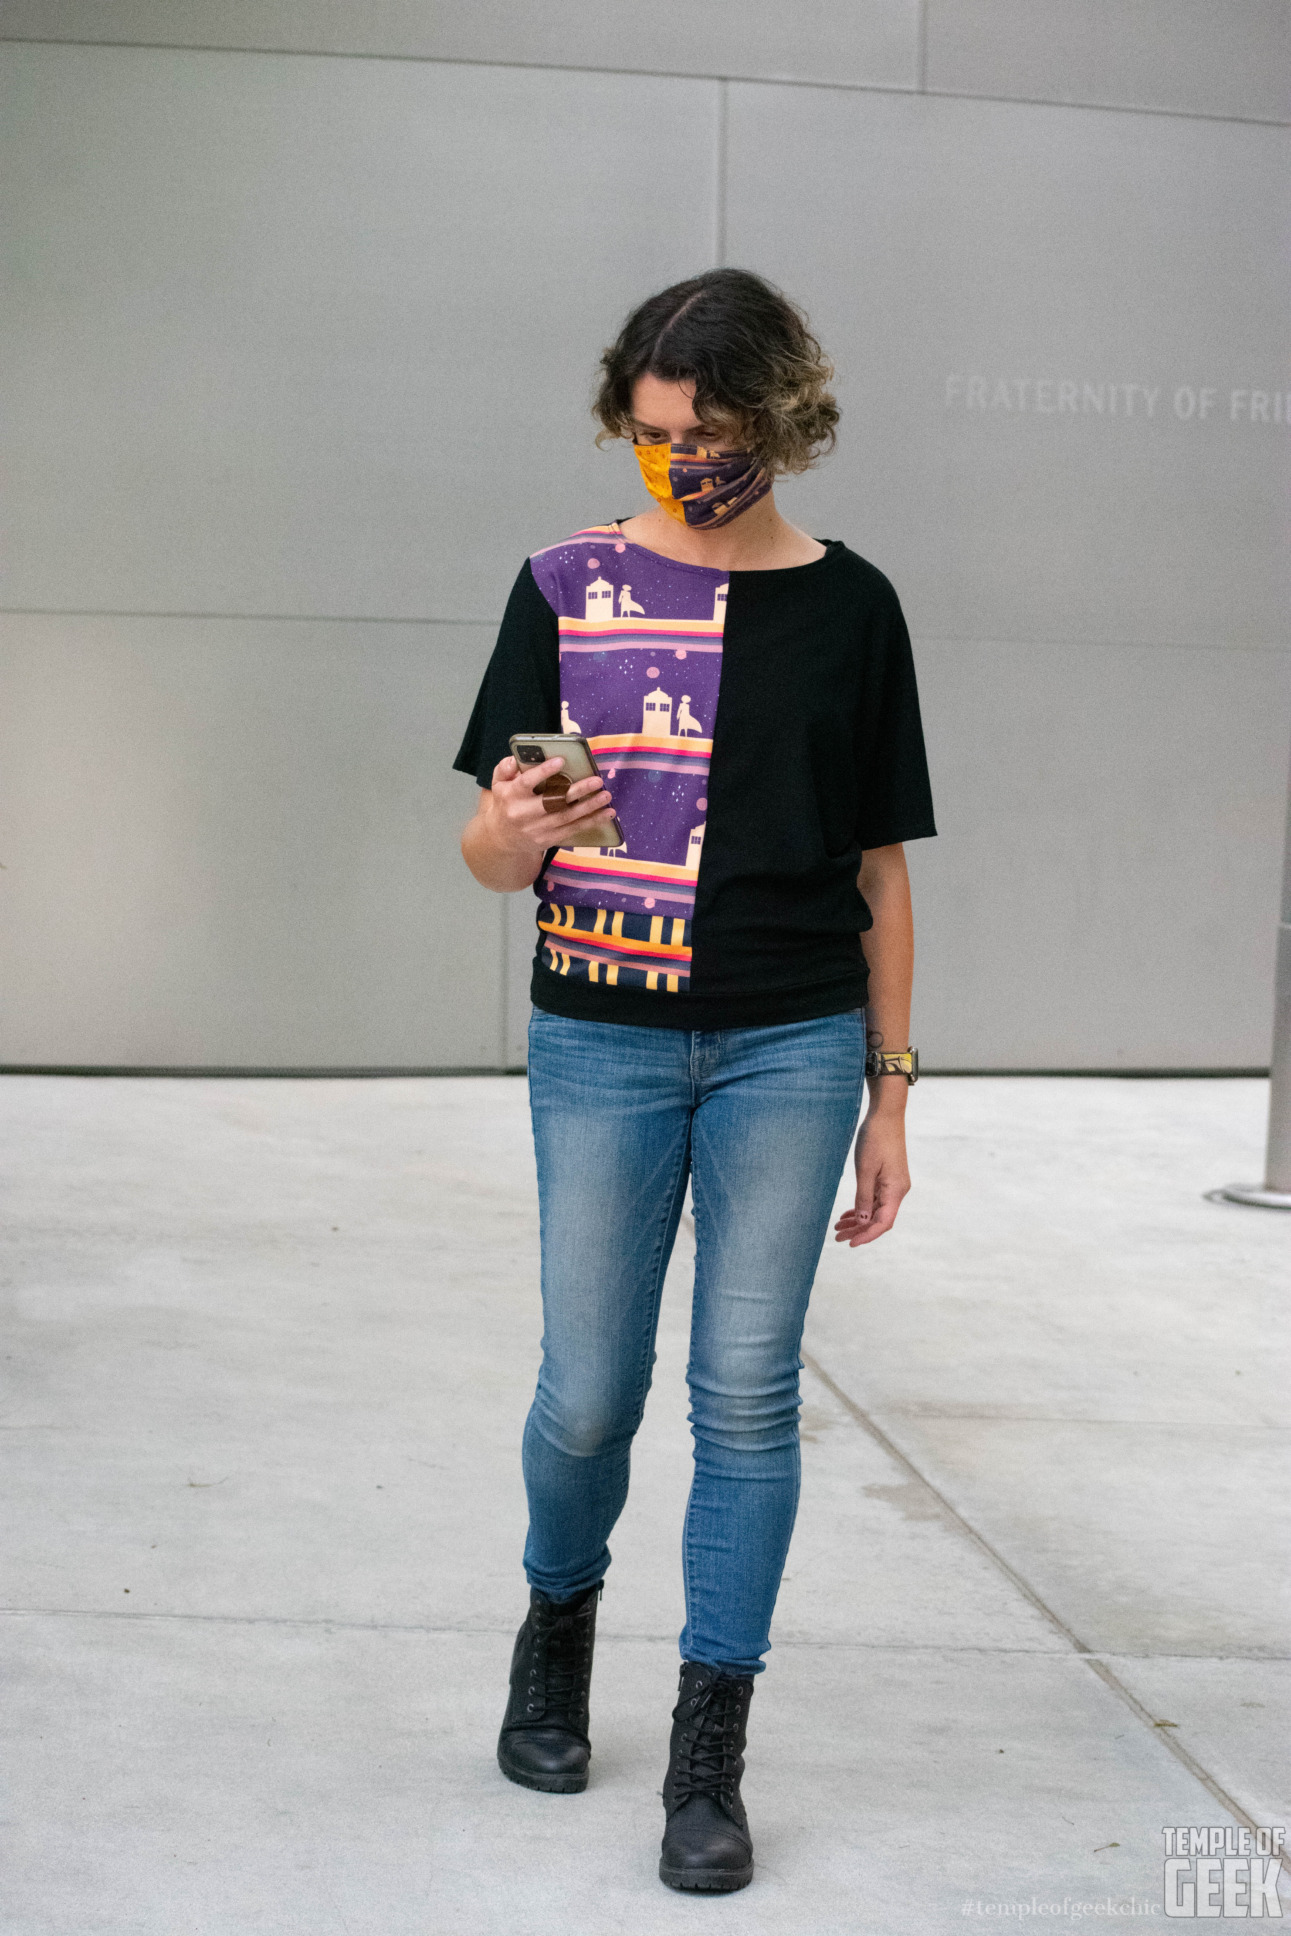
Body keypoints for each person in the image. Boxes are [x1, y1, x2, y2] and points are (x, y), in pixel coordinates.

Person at [453, 268, 935, 1893]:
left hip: (790, 1045)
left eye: (710, 434)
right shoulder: (565, 586)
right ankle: (558, 1619)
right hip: (598, 1032)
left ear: (781, 423)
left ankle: (711, 1748)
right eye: (654, 433)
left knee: (746, 1394)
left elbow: (881, 869)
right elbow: (482, 848)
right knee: (588, 1389)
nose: (679, 465)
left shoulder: (855, 608)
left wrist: (892, 1090)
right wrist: (507, 839)